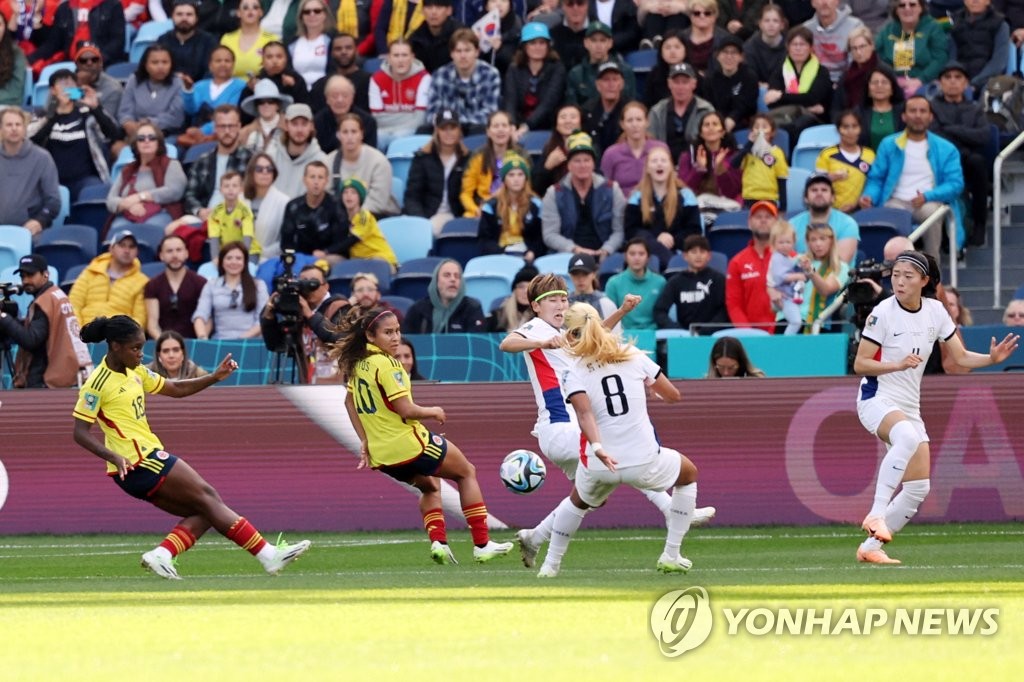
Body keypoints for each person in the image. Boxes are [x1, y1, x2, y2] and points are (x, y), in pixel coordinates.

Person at [72, 314, 311, 579]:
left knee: (207, 509)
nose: (141, 354)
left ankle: (161, 555)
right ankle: (268, 555)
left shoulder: (135, 370)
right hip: (138, 460)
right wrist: (113, 455)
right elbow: (80, 432)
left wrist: (214, 377)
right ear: (115, 346)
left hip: (139, 463)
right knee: (209, 497)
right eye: (135, 348)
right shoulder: (96, 383)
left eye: (142, 347)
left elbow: (175, 388)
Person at [500, 275, 715, 570]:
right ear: (536, 306)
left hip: (565, 430)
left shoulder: (567, 334)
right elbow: (507, 343)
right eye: (552, 300)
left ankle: (534, 538)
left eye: (563, 298)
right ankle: (670, 510)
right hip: (561, 425)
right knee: (624, 457)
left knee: (589, 499)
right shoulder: (537, 328)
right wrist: (541, 342)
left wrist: (622, 311)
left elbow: (595, 333)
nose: (560, 304)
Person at [853, 251, 1019, 564]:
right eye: (896, 274)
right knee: (907, 438)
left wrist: (990, 359)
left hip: (908, 405)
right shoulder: (882, 312)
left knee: (918, 487)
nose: (899, 281)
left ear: (925, 281)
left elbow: (959, 357)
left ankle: (870, 549)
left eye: (908, 275)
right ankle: (876, 514)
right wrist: (897, 364)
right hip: (875, 398)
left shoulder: (936, 311)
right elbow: (861, 363)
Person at [336, 306, 513, 564]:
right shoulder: (388, 365)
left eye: (397, 330)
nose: (395, 337)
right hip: (410, 445)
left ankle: (439, 543)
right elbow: (405, 409)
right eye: (388, 332)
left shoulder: (359, 365)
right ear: (370, 336)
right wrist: (433, 411)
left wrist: (365, 439)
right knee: (466, 472)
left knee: (430, 486)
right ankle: (482, 544)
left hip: (382, 455)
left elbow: (349, 404)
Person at [860, 95, 966, 261]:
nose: (918, 115)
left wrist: (927, 196)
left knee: (932, 213)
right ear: (904, 116)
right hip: (895, 201)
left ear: (930, 117)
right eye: (913, 111)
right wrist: (869, 196)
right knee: (889, 216)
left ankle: (932, 274)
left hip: (928, 202)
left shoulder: (946, 148)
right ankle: (893, 274)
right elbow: (876, 178)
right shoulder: (889, 144)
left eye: (923, 111)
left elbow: (955, 184)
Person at [0, 254, 93, 388]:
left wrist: (4, 318)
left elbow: (31, 340)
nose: (25, 281)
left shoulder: (45, 301)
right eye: (22, 276)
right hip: (64, 373)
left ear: (45, 274)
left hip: (46, 379)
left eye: (30, 275)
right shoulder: (56, 295)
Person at [29, 68, 120, 201]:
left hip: (85, 179)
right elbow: (31, 142)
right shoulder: (42, 116)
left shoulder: (87, 114)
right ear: (53, 90)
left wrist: (95, 108)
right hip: (51, 180)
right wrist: (54, 114)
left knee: (96, 191)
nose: (67, 87)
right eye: (62, 83)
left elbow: (114, 134)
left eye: (71, 83)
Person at [929, 61, 991, 248]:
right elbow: (933, 135)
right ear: (940, 83)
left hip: (967, 160)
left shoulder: (975, 108)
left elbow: (983, 136)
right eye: (947, 77)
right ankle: (946, 236)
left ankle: (980, 224)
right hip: (939, 161)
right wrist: (964, 133)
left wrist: (950, 128)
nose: (953, 82)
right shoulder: (932, 106)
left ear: (966, 83)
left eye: (958, 77)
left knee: (978, 162)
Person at [541, 131, 626, 259]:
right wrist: (574, 249)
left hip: (605, 254)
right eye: (577, 161)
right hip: (567, 255)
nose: (582, 165)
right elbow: (550, 234)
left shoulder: (612, 189)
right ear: (569, 165)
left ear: (593, 164)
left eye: (587, 160)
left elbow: (619, 231)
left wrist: (606, 250)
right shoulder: (554, 193)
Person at [260, 261, 350, 383]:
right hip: (308, 385)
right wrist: (269, 315)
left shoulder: (340, 307)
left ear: (326, 286)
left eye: (313, 283)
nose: (308, 288)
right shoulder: (299, 312)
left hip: (337, 386)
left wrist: (310, 315)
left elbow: (339, 339)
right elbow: (276, 345)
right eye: (303, 283)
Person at [623, 145, 701, 270]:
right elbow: (631, 231)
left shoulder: (686, 195)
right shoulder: (636, 197)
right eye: (654, 161)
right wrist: (657, 237)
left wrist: (672, 239)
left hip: (678, 252)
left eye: (664, 161)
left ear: (671, 167)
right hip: (645, 255)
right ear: (648, 168)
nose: (659, 164)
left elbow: (694, 230)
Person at [106, 122, 187, 231]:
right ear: (136, 143)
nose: (146, 141)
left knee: (147, 230)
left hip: (161, 213)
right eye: (141, 138)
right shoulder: (128, 169)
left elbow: (175, 191)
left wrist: (141, 197)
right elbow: (111, 200)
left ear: (159, 142)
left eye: (152, 137)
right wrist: (128, 204)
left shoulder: (171, 164)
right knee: (117, 231)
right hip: (128, 214)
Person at [181, 105, 254, 223]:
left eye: (231, 126)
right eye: (222, 126)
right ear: (215, 128)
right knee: (174, 229)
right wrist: (199, 211)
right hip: (204, 216)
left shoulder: (251, 159)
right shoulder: (203, 160)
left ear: (239, 127)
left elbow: (255, 195)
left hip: (237, 218)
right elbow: (190, 194)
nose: (227, 131)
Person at [424, 28, 502, 136]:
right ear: (451, 54)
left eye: (467, 50)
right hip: (446, 129)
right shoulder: (440, 75)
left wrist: (459, 122)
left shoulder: (490, 74)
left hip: (477, 129)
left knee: (480, 130)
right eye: (458, 51)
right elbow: (431, 113)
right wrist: (449, 124)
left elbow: (490, 113)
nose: (463, 56)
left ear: (477, 52)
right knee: (423, 130)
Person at [403, 108, 469, 234]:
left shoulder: (468, 158)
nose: (449, 133)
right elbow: (412, 196)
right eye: (444, 128)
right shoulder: (422, 158)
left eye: (453, 128)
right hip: (427, 215)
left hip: (457, 215)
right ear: (436, 131)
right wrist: (420, 221)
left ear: (459, 130)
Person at [764, 26, 833, 144]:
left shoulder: (822, 71)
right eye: (794, 44)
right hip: (785, 117)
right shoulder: (779, 70)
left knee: (799, 126)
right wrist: (805, 106)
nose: (798, 48)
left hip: (816, 120)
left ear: (811, 48)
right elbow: (772, 102)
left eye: (802, 44)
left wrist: (781, 96)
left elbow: (812, 97)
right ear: (788, 47)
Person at [70, 229, 150, 328]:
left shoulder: (142, 281)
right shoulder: (90, 272)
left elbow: (140, 319)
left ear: (137, 252)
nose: (127, 250)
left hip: (119, 338)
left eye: (131, 247)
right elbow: (74, 305)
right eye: (122, 245)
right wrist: (80, 333)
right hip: (85, 333)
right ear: (111, 249)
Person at [0, 107, 61, 236]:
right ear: (1, 129)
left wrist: (40, 221)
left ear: (24, 129)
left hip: (29, 232)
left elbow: (53, 201)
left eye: (18, 124)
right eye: (9, 125)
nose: (14, 128)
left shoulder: (42, 158)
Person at [327, 113, 399, 217]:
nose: (350, 137)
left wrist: (355, 217)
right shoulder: (328, 161)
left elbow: (378, 202)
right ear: (338, 135)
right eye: (345, 132)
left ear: (361, 134)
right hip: (340, 217)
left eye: (354, 132)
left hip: (377, 216)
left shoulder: (379, 161)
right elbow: (327, 196)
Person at [192, 241, 268, 339]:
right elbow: (201, 314)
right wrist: (202, 336)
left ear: (245, 262)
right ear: (221, 261)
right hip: (220, 341)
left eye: (238, 258)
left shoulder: (258, 285)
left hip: (250, 341)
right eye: (229, 258)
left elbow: (263, 319)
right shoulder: (211, 285)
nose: (233, 262)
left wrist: (241, 339)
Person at [653, 234, 728, 333]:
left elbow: (725, 310)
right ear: (685, 256)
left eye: (702, 252)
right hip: (684, 336)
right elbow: (659, 311)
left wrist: (707, 330)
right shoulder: (676, 281)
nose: (698, 256)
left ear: (709, 256)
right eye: (693, 252)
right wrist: (678, 331)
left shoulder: (718, 279)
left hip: (712, 335)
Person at [280, 160, 351, 262]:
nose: (316, 182)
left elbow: (342, 242)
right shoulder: (293, 206)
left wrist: (326, 252)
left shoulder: (337, 205)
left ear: (326, 181)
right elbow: (286, 242)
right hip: (300, 258)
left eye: (320, 177)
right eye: (312, 177)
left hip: (329, 256)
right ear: (304, 180)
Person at [478, 152, 545, 260]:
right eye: (511, 175)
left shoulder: (536, 205)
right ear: (504, 179)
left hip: (528, 257)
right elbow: (484, 240)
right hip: (499, 256)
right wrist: (502, 252)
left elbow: (540, 237)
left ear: (526, 178)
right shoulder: (490, 206)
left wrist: (532, 252)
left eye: (520, 174)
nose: (516, 179)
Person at [875, 0, 948, 98]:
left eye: (912, 4)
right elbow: (877, 57)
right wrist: (893, 80)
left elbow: (940, 59)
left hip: (926, 82)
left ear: (921, 8)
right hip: (894, 82)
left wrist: (920, 79)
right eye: (902, 5)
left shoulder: (933, 27)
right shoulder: (887, 31)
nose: (907, 8)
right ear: (896, 10)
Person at [503, 22, 566, 136]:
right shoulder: (514, 69)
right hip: (518, 125)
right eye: (533, 43)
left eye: (542, 43)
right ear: (525, 46)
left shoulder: (557, 68)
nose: (538, 47)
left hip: (548, 126)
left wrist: (527, 125)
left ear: (548, 46)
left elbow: (549, 102)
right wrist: (511, 125)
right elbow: (510, 100)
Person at [459, 110, 525, 218]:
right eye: (495, 126)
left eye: (504, 125)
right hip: (481, 208)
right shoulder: (478, 155)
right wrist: (476, 210)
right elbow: (465, 193)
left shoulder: (521, 155)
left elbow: (526, 188)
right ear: (488, 132)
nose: (500, 130)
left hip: (512, 208)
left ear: (511, 130)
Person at [369, 39, 431, 151]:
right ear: (388, 58)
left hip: (410, 131)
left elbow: (420, 119)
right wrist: (407, 116)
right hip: (382, 131)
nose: (400, 60)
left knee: (399, 140)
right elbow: (377, 118)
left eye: (404, 55)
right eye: (396, 55)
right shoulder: (376, 79)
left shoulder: (424, 78)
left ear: (412, 57)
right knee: (373, 139)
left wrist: (391, 118)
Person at [26, 0, 125, 71]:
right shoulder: (64, 8)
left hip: (101, 65)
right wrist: (29, 59)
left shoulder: (113, 5)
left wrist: (97, 59)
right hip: (70, 65)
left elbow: (117, 41)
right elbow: (52, 44)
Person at [725, 200, 777, 332]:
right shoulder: (737, 262)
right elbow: (734, 304)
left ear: (777, 224)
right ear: (749, 223)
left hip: (784, 334)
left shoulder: (791, 257)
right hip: (751, 336)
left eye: (768, 217)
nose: (763, 220)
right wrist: (748, 333)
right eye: (758, 217)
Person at [648, 62, 715, 163]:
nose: (680, 87)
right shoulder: (657, 111)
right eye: (676, 82)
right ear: (669, 84)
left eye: (685, 82)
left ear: (694, 84)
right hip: (664, 168)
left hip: (697, 167)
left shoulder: (706, 110)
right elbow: (650, 144)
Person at [600, 102, 669, 199]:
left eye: (639, 120)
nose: (634, 124)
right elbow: (604, 188)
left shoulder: (661, 149)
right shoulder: (611, 154)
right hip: (622, 208)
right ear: (622, 124)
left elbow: (669, 181)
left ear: (647, 122)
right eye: (629, 120)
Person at [144, 235, 208, 339]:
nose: (175, 255)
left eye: (179, 250)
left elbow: (207, 319)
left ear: (186, 253)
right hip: (163, 344)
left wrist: (201, 341)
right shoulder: (153, 285)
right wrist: (165, 344)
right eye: (169, 251)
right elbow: (152, 325)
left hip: (194, 342)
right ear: (161, 256)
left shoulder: (201, 282)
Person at [179, 46, 246, 144]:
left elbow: (230, 113)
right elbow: (191, 110)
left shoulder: (240, 86)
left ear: (233, 65)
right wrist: (188, 90)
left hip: (224, 135)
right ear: (210, 65)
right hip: (194, 136)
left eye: (227, 61)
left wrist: (202, 131)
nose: (223, 64)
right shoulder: (200, 85)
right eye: (218, 61)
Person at [117, 45, 187, 139]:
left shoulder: (177, 82)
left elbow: (175, 118)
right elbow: (125, 111)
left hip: (166, 133)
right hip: (135, 132)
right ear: (145, 65)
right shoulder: (134, 80)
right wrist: (128, 123)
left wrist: (149, 123)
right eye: (155, 62)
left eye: (165, 62)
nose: (160, 67)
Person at [789, 172, 860, 264]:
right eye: (814, 190)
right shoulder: (792, 225)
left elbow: (839, 265)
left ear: (833, 197)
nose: (819, 193)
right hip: (799, 276)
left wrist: (811, 273)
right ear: (806, 198)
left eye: (824, 190)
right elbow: (784, 260)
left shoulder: (847, 223)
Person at [402, 258, 486, 333]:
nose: (453, 279)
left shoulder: (472, 308)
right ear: (436, 281)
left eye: (457, 276)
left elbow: (476, 343)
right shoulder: (418, 309)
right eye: (447, 275)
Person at [814, 110, 875, 214]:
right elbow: (816, 185)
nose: (850, 131)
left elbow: (874, 184)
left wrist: (857, 204)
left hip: (860, 211)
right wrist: (829, 178)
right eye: (845, 127)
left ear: (860, 129)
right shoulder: (826, 154)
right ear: (838, 130)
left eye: (854, 126)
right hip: (830, 211)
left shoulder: (870, 155)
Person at [565, 20, 636, 106]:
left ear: (610, 43)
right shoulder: (576, 74)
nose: (598, 45)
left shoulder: (625, 71)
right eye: (593, 40)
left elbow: (631, 105)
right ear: (586, 43)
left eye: (602, 40)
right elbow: (572, 107)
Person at [678, 110, 742, 204]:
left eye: (715, 124)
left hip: (726, 207)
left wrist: (721, 171)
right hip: (698, 206)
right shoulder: (687, 156)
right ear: (701, 133)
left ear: (723, 132)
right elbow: (684, 191)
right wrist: (698, 170)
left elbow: (733, 193)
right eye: (706, 125)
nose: (710, 128)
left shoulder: (735, 157)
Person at [266, 102, 327, 198]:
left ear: (311, 126)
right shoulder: (272, 155)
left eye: (304, 124)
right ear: (286, 125)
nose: (299, 130)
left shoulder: (322, 160)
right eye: (294, 124)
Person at [604, 238, 666, 330]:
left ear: (648, 257)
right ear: (625, 256)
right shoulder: (613, 283)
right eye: (632, 254)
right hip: (622, 336)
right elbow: (610, 315)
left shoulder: (660, 282)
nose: (637, 258)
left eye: (641, 254)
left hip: (654, 335)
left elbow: (662, 313)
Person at [701, 34, 759, 133]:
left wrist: (732, 119)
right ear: (718, 56)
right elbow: (708, 104)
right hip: (716, 124)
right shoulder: (711, 78)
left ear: (741, 57)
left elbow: (746, 105)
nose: (729, 57)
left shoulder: (749, 77)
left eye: (734, 53)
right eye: (725, 52)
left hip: (744, 125)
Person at [339, 177, 399, 270]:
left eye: (353, 193)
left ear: (360, 197)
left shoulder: (364, 216)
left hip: (382, 260)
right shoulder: (342, 218)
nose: (348, 196)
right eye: (345, 192)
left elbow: (354, 239)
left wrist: (327, 251)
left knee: (375, 263)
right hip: (358, 262)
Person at [951, 0, 1010, 92]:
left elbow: (998, 63)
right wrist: (957, 79)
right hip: (960, 79)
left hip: (987, 79)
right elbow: (952, 58)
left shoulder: (1000, 24)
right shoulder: (956, 22)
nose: (975, 1)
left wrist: (975, 83)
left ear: (988, 1)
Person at [798, 222, 848, 330]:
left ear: (831, 241)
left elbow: (826, 290)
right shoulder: (799, 261)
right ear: (808, 242)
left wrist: (810, 271)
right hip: (790, 319)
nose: (818, 244)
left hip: (818, 324)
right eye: (813, 239)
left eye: (822, 238)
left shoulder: (840, 267)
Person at [802, 0, 865, 84]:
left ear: (837, 2)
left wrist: (840, 84)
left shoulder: (855, 26)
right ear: (813, 3)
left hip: (847, 81)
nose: (824, 2)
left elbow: (857, 63)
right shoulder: (806, 29)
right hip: (815, 82)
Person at [243, 153, 292, 261]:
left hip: (268, 259)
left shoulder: (284, 202)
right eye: (259, 169)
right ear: (251, 172)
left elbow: (285, 241)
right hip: (238, 258)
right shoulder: (240, 198)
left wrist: (260, 252)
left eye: (269, 169)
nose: (265, 172)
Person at [736, 112, 789, 209]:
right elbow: (734, 164)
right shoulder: (747, 151)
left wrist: (783, 207)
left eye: (764, 127)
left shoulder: (777, 152)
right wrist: (749, 144)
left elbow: (781, 179)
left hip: (769, 200)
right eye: (756, 127)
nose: (760, 130)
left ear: (772, 132)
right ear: (751, 131)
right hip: (748, 200)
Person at [158, 0, 217, 87]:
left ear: (196, 18)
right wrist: (174, 78)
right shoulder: (163, 40)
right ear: (172, 17)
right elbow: (155, 68)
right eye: (179, 14)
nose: (184, 18)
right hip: (167, 87)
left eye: (189, 14)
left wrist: (194, 85)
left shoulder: (208, 41)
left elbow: (211, 71)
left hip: (199, 90)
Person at [314, 74, 378, 154]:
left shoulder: (367, 122)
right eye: (334, 96)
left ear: (352, 98)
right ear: (327, 99)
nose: (340, 100)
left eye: (345, 96)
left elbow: (370, 153)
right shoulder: (317, 122)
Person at [238, 40, 310, 111]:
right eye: (269, 57)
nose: (274, 61)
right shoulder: (256, 82)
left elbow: (304, 109)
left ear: (286, 59)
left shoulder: (295, 79)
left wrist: (293, 87)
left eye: (279, 57)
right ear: (262, 61)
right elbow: (243, 110)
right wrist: (250, 90)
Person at [206, 171, 260, 260]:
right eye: (226, 186)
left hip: (249, 252)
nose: (230, 189)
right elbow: (214, 238)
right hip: (227, 252)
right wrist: (215, 258)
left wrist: (242, 258)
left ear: (241, 189)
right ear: (220, 190)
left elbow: (247, 237)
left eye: (234, 186)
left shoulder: (245, 211)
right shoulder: (215, 212)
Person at [531, 103, 582, 196]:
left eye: (573, 117)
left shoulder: (591, 146)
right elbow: (534, 187)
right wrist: (547, 167)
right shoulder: (549, 149)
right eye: (563, 117)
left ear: (580, 123)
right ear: (556, 124)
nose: (568, 121)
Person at [221, 0, 278, 79]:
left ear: (261, 12)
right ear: (238, 13)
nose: (250, 11)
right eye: (245, 7)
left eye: (255, 7)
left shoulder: (272, 39)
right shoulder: (227, 39)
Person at [767, 221, 806, 335]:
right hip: (784, 297)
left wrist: (802, 266)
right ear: (773, 243)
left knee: (796, 321)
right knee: (796, 322)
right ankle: (787, 341)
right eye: (781, 242)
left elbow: (805, 272)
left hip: (791, 296)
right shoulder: (777, 258)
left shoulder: (789, 258)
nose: (785, 245)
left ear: (794, 242)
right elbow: (780, 277)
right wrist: (798, 276)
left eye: (788, 242)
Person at [580, 61, 628, 154]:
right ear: (598, 85)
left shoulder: (630, 111)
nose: (611, 84)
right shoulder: (587, 110)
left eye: (615, 79)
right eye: (606, 80)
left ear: (622, 84)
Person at [854, 65, 905, 150]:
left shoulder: (903, 111)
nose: (879, 86)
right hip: (866, 161)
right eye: (875, 82)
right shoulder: (858, 113)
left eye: (884, 82)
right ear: (868, 89)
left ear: (892, 89)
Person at [73, 40, 125, 117]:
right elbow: (53, 112)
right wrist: (78, 87)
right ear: (77, 64)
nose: (89, 63)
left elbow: (107, 123)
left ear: (101, 63)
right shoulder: (67, 83)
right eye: (83, 61)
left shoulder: (113, 88)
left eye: (94, 60)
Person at [287, 0, 332, 90]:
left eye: (317, 11)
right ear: (301, 17)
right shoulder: (291, 43)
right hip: (298, 92)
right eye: (307, 12)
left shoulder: (333, 40)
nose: (312, 14)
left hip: (326, 91)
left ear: (325, 14)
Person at [409, 0, 463, 74]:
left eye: (439, 7)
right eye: (429, 7)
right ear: (422, 11)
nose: (433, 12)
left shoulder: (460, 35)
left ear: (449, 10)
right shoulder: (416, 39)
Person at [239, 79, 293, 153]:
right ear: (256, 106)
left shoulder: (290, 128)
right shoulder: (244, 133)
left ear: (278, 105)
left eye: (271, 101)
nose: (266, 105)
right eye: (261, 102)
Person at [743, 3, 789, 86]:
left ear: (782, 25)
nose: (771, 24)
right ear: (760, 24)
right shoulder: (749, 47)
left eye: (775, 21)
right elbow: (748, 77)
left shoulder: (790, 46)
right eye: (767, 20)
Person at [642, 29, 689, 107]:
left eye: (677, 47)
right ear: (661, 51)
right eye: (667, 48)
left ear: (685, 49)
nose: (672, 51)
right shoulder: (654, 75)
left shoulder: (694, 74)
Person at [487, 264, 538, 332]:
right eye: (521, 287)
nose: (525, 291)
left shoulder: (542, 317)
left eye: (530, 288)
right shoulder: (498, 316)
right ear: (514, 290)